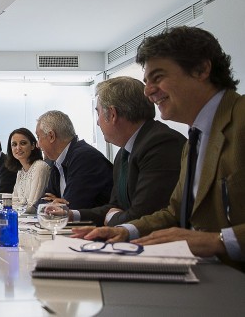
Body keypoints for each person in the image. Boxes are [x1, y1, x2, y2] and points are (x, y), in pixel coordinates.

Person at [73, 26, 244, 269]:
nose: (148, 91)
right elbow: (174, 212)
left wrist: (217, 241)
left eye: (158, 77)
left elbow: (207, 235)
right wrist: (124, 231)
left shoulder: (239, 120)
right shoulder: (195, 138)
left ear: (201, 69)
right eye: (146, 81)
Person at [71, 76, 186, 226]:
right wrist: (72, 215)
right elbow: (113, 207)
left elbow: (144, 215)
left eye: (98, 113)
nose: (98, 122)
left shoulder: (161, 144)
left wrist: (113, 218)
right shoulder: (123, 154)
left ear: (112, 114)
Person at [35, 110, 113, 210]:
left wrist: (58, 203)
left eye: (38, 137)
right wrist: (55, 203)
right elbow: (41, 202)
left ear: (51, 136)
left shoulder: (84, 158)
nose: (38, 144)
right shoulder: (57, 162)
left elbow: (72, 207)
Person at [4, 128, 51, 214]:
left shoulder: (40, 166)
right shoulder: (20, 171)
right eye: (14, 144)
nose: (18, 148)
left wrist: (13, 206)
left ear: (33, 146)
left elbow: (32, 206)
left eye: (23, 143)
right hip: (24, 219)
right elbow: (13, 201)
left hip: (37, 219)